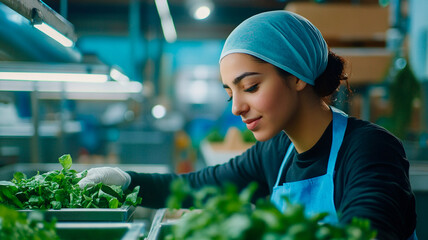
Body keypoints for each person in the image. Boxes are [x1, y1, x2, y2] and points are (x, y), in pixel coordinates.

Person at [78, 10, 417, 240]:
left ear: (297, 77)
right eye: (230, 93)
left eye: (251, 86)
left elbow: (367, 229)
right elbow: (198, 186)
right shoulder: (277, 153)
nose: (238, 107)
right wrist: (125, 181)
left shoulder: (369, 150)